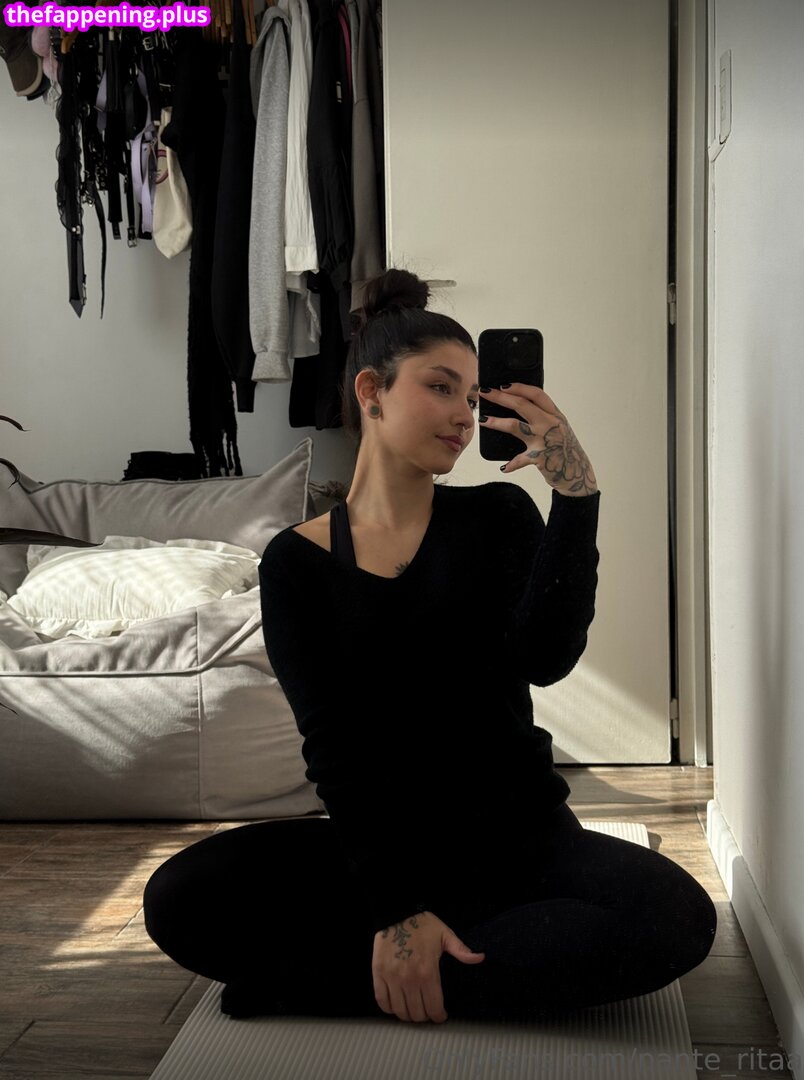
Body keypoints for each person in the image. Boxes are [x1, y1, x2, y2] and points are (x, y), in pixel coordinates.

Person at [143, 267, 717, 1025]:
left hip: (520, 846)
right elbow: (334, 748)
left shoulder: (500, 517)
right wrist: (397, 907)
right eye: (442, 388)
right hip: (385, 854)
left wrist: (576, 497)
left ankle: (338, 985)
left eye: (473, 398)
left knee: (679, 918)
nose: (464, 416)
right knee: (180, 897)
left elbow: (546, 659)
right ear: (372, 392)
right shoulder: (295, 564)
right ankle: (449, 962)